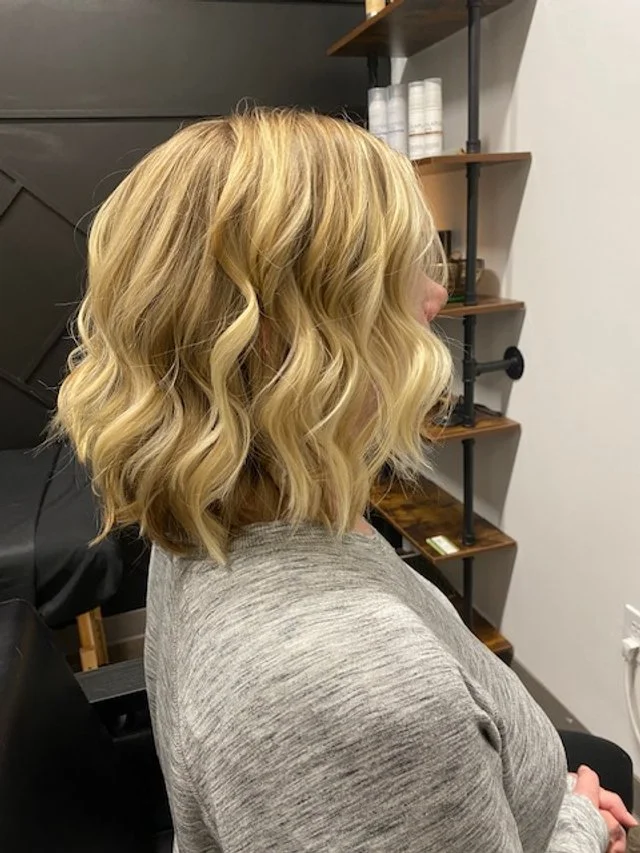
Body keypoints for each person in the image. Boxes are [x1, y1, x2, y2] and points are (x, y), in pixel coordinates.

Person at [54, 109, 635, 853]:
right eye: (400, 270)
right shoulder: (346, 689)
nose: (435, 296)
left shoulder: (215, 506)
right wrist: (584, 828)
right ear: (276, 337)